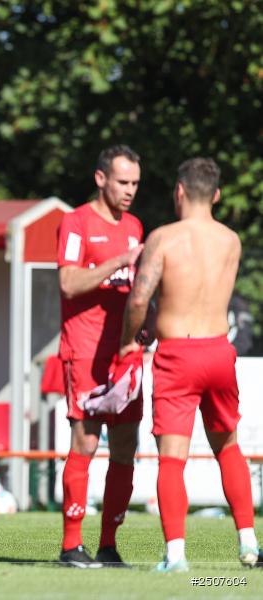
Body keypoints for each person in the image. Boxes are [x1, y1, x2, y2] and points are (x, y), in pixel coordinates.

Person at [118, 158, 261, 572]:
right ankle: (249, 545)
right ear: (216, 195)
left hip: (178, 354)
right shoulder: (231, 240)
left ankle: (176, 556)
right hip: (219, 350)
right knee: (229, 448)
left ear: (179, 191)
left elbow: (140, 299)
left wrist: (130, 340)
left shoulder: (163, 238)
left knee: (173, 459)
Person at [56, 145, 145, 568]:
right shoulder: (75, 222)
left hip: (124, 355)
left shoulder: (135, 226)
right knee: (87, 442)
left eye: (135, 184)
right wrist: (119, 261)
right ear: (100, 179)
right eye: (123, 182)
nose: (129, 191)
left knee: (126, 445)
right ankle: (71, 546)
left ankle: (108, 545)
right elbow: (70, 283)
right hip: (85, 351)